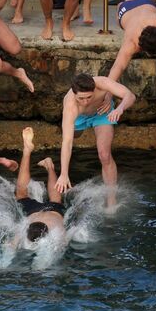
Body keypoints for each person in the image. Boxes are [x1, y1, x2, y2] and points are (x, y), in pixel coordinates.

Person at [57, 73, 136, 211]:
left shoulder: (102, 83)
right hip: (78, 118)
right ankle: (78, 129)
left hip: (101, 113)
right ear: (74, 93)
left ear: (94, 89)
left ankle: (111, 200)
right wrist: (64, 174)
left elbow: (130, 95)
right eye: (81, 98)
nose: (86, 102)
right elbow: (67, 143)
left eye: (89, 97)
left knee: (104, 154)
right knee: (72, 136)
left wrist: (120, 108)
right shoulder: (70, 106)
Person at [12, 127, 65, 246]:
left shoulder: (23, 230)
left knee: (55, 200)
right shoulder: (58, 234)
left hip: (53, 210)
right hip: (36, 212)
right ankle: (43, 163)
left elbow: (11, 246)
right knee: (21, 194)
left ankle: (48, 165)